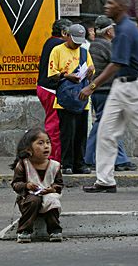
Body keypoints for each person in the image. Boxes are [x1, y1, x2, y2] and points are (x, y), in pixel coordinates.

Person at [79, 0, 138, 193]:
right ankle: (105, 181)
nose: (106, 5)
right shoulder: (122, 29)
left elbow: (116, 63)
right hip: (122, 85)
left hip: (134, 86)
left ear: (121, 7)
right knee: (106, 132)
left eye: (111, 3)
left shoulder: (126, 30)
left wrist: (91, 86)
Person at [84, 15, 137, 172]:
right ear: (108, 31)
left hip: (101, 90)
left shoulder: (95, 44)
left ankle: (119, 159)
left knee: (110, 124)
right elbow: (118, 65)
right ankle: (91, 157)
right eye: (113, 29)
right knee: (103, 124)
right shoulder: (106, 45)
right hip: (104, 90)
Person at [47, 24, 95, 175]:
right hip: (65, 99)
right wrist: (68, 76)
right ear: (67, 35)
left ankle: (79, 164)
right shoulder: (57, 50)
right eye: (75, 40)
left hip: (81, 98)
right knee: (67, 134)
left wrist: (90, 72)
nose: (78, 44)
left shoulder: (84, 52)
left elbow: (90, 73)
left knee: (81, 134)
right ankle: (67, 163)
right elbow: (52, 73)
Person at [10, 128, 64, 243]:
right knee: (34, 200)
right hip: (28, 198)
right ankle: (24, 230)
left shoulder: (55, 166)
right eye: (40, 143)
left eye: (48, 142)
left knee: (52, 199)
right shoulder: (24, 164)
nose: (46, 146)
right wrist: (27, 186)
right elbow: (16, 184)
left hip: (48, 196)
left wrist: (53, 189)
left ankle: (54, 230)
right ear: (29, 150)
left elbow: (59, 184)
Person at [37, 19, 72, 162]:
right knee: (54, 126)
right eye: (70, 34)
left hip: (43, 87)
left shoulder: (49, 42)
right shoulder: (60, 45)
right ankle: (52, 157)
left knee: (53, 123)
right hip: (51, 89)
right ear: (63, 33)